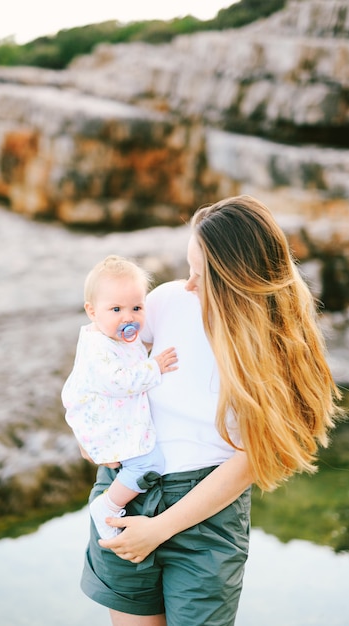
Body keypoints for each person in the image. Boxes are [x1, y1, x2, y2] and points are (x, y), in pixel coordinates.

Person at [77, 195, 342, 626]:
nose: (188, 285)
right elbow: (104, 363)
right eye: (188, 268)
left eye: (201, 275)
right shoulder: (165, 302)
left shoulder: (275, 348)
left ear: (238, 280)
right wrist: (91, 431)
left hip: (205, 517)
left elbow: (251, 462)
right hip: (125, 494)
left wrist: (161, 529)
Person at [61, 255, 178, 539]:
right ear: (92, 311)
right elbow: (118, 381)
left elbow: (135, 348)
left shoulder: (116, 335)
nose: (128, 317)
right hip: (103, 419)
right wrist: (154, 367)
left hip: (111, 415)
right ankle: (108, 506)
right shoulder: (99, 347)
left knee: (131, 461)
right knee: (148, 463)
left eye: (136, 307)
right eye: (116, 309)